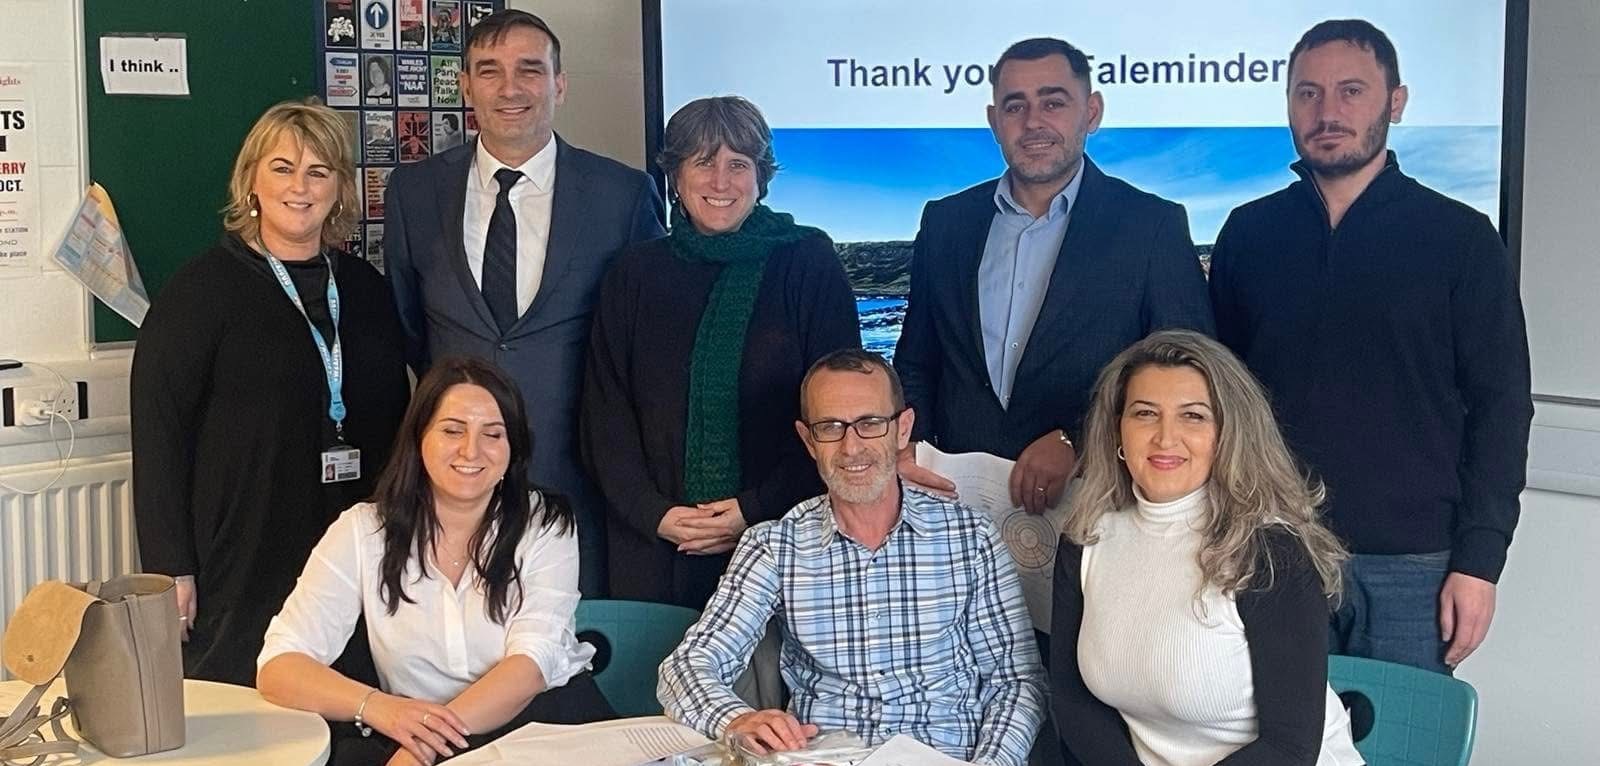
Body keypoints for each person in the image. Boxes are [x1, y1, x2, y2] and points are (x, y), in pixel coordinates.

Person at [1208, 19, 1533, 673]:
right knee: (1271, 730)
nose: (1327, 112)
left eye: (1351, 91)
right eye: (1308, 93)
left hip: (1415, 566)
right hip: (1274, 552)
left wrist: (1480, 561)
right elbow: (1218, 401)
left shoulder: (1461, 239)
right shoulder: (1248, 234)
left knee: (1403, 731)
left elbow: (1501, 407)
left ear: (1396, 102)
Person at [384, 9, 665, 596]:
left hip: (578, 493)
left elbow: (643, 348)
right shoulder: (415, 193)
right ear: (466, 86)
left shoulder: (621, 196)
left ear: (559, 84)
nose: (510, 89)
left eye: (530, 70)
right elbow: (409, 329)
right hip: (452, 495)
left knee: (571, 648)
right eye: (490, 71)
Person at [131, 99, 410, 685]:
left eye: (318, 171)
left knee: (347, 695)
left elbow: (396, 422)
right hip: (241, 549)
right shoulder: (200, 291)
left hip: (351, 543)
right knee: (243, 702)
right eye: (282, 168)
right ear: (251, 181)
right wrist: (171, 568)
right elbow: (158, 436)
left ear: (340, 188)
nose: (299, 187)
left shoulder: (367, 290)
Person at [659, 349, 1045, 766]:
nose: (851, 446)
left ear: (902, 429)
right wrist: (735, 719)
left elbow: (1017, 682)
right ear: (808, 441)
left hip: (945, 755)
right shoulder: (775, 546)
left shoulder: (971, 538)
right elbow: (687, 666)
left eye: (870, 423)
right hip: (826, 757)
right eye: (830, 427)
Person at [894, 37, 1213, 522]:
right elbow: (917, 358)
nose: (1033, 121)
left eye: (1053, 102)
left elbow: (1187, 372)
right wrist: (908, 445)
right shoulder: (945, 222)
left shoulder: (1151, 225)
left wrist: (1078, 440)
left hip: (1098, 506)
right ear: (994, 121)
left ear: (1092, 112)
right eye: (1014, 106)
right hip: (957, 509)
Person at [258, 357, 613, 766]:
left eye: (493, 434)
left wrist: (424, 746)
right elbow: (279, 665)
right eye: (452, 430)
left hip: (544, 723)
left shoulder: (545, 523)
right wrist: (377, 707)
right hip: (410, 725)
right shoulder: (362, 530)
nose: (471, 450)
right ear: (418, 437)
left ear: (513, 448)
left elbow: (532, 665)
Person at [580, 96, 860, 609]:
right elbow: (605, 415)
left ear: (761, 176)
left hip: (782, 540)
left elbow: (842, 414)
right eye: (703, 162)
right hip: (654, 547)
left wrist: (752, 510)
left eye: (738, 164)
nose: (720, 181)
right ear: (675, 175)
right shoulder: (633, 274)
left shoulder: (808, 261)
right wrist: (655, 515)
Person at [1050, 330, 1363, 765]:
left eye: (1193, 416)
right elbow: (1072, 699)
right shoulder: (1085, 538)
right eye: (1145, 413)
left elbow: (1290, 746)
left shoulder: (1270, 552)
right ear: (1118, 429)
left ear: (1228, 433)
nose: (1165, 438)